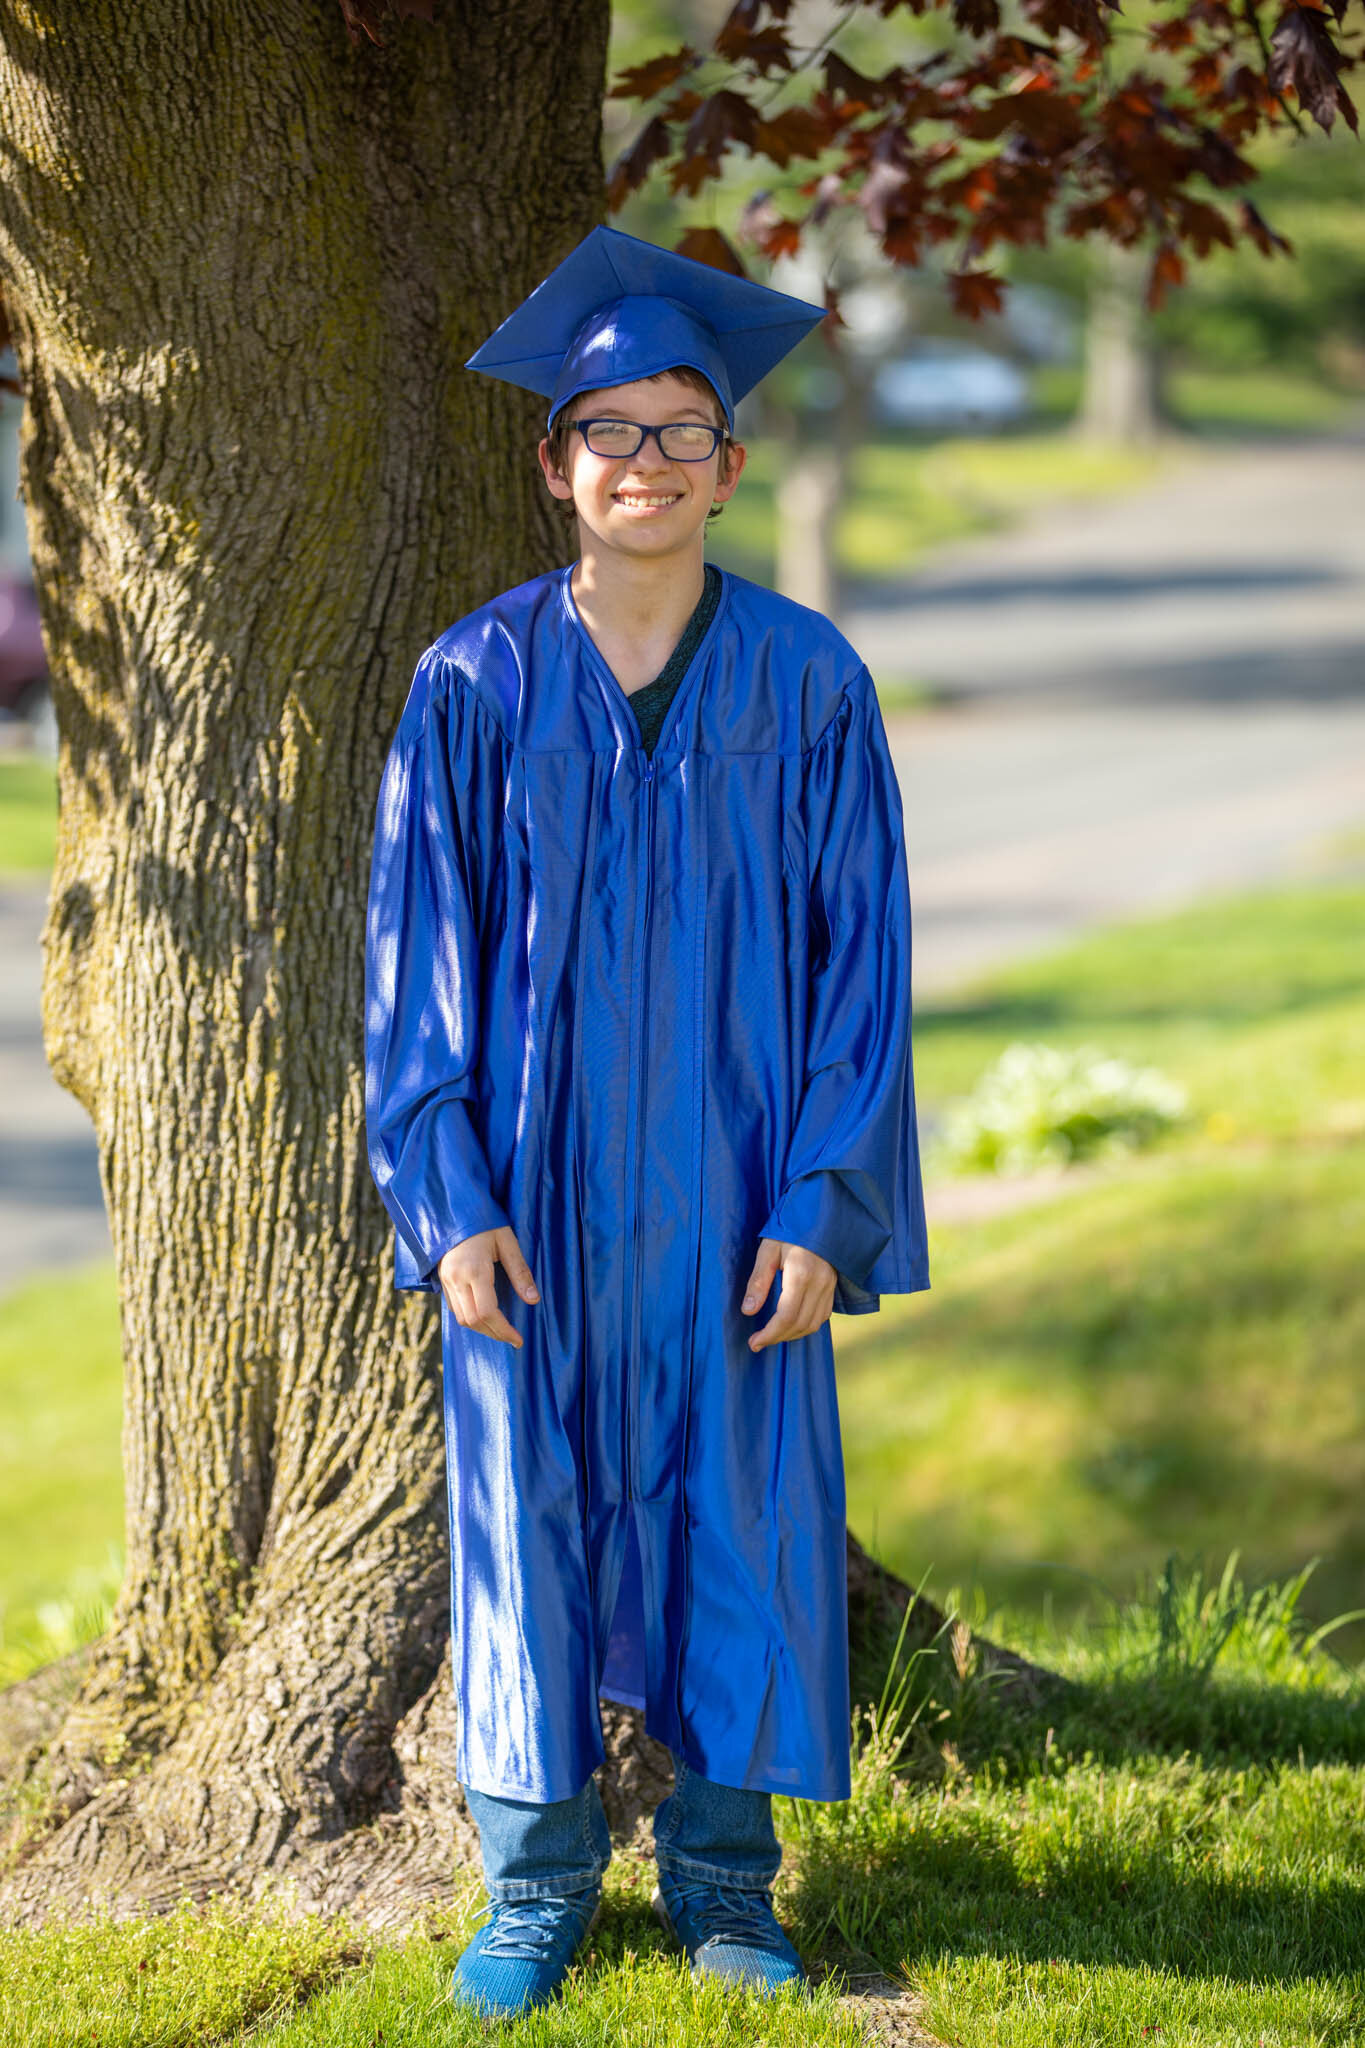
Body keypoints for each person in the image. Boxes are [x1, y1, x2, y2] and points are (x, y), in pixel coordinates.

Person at [364, 224, 930, 2019]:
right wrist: (445, 1196)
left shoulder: (807, 682)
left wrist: (825, 1203)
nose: (644, 463)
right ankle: (530, 1892)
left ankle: (722, 1884)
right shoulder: (470, 684)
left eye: (681, 432)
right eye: (609, 431)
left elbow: (865, 969)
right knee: (517, 1521)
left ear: (730, 466)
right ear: (556, 466)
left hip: (740, 1196)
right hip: (522, 1207)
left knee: (742, 1524)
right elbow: (410, 970)